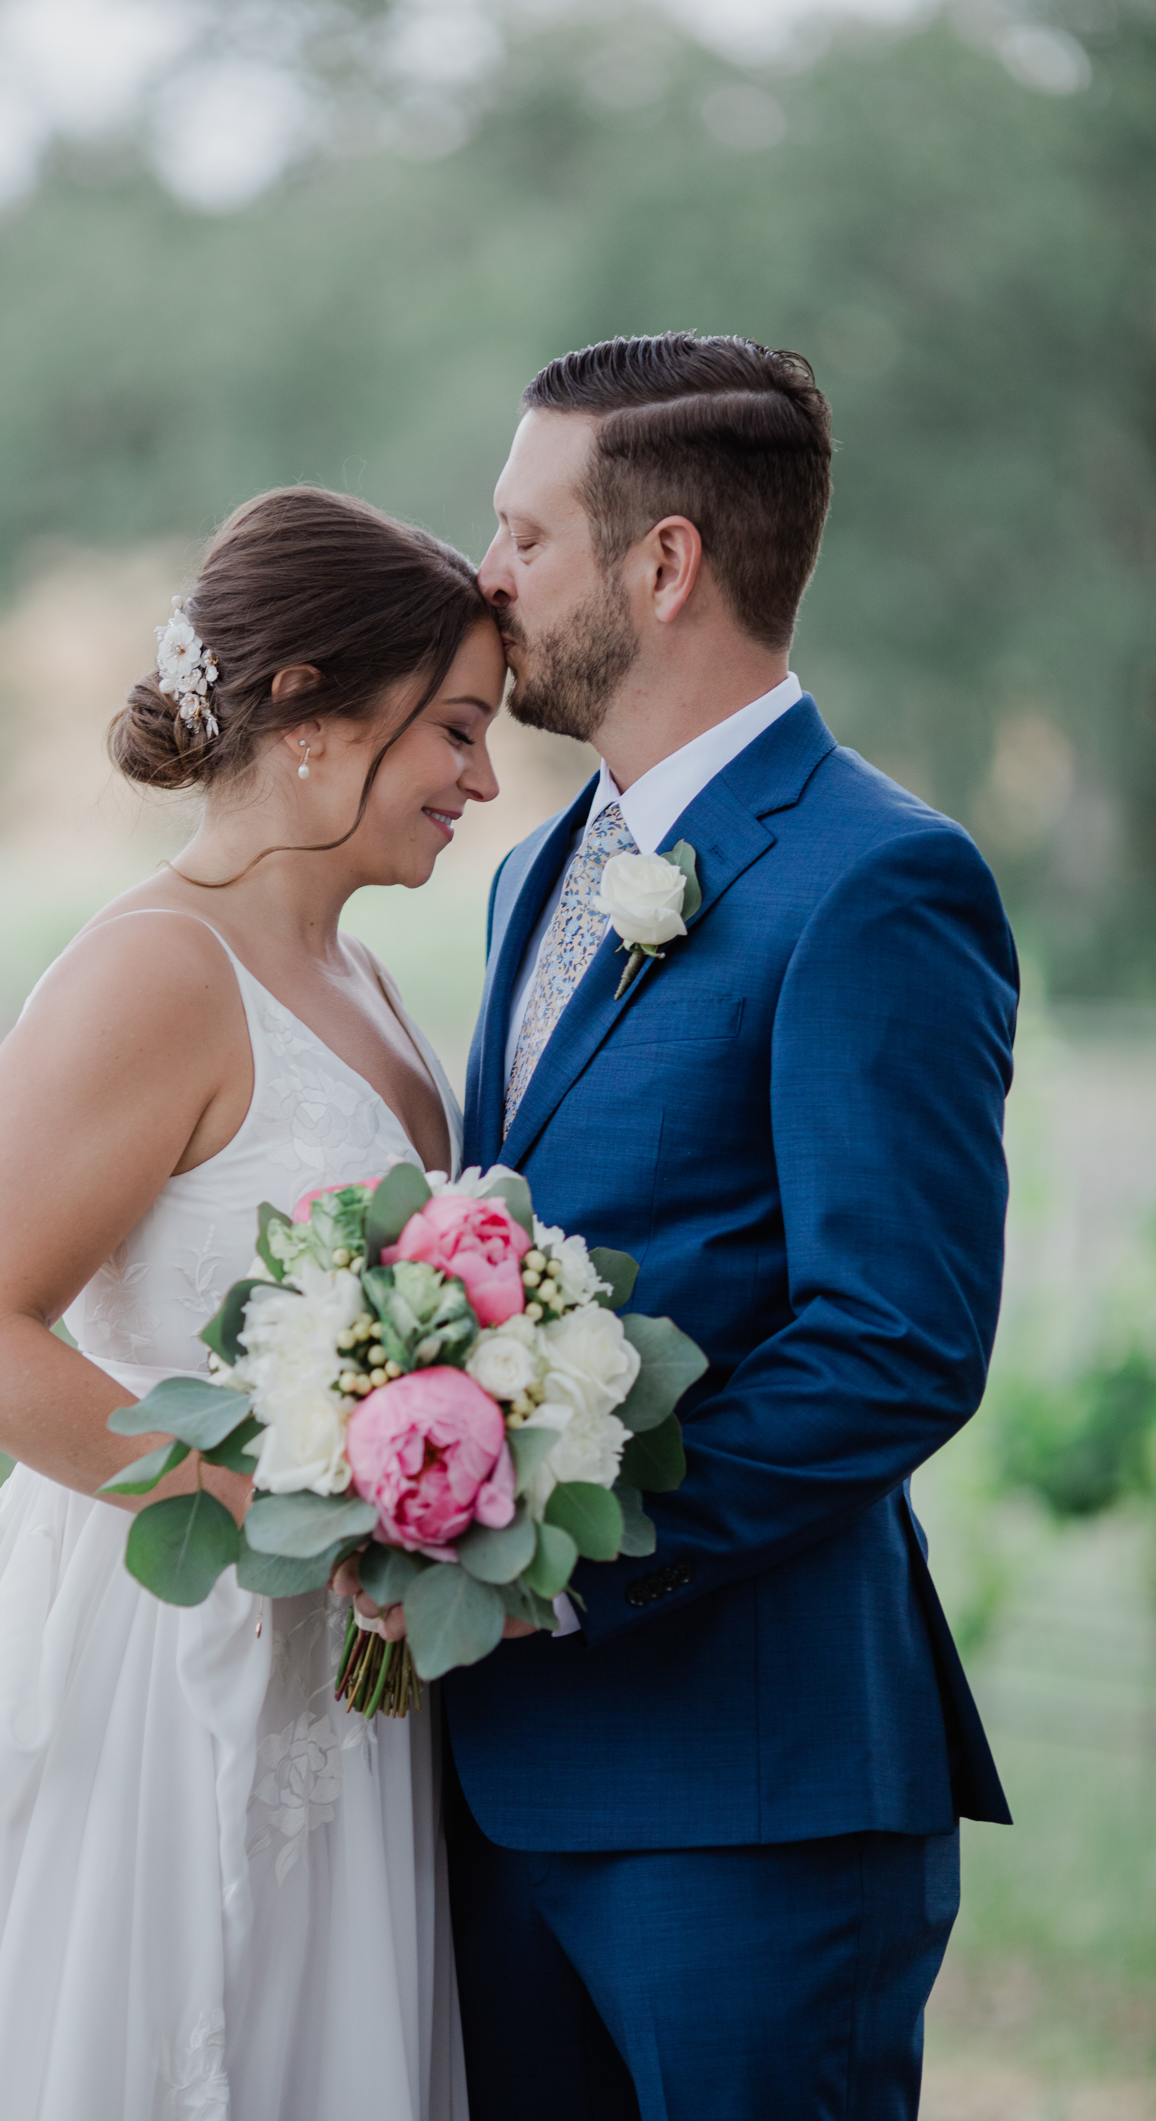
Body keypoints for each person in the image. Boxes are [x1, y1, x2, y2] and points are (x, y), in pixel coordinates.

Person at [0, 486, 503, 2121]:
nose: (483, 777)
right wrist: (287, 1504)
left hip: (346, 1684)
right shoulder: (155, 970)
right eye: (454, 729)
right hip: (154, 1658)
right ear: (316, 709)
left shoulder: (366, 977)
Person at [438, 333, 1018, 2121]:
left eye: (523, 535)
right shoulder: (541, 865)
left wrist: (564, 1562)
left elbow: (894, 1339)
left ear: (663, 560)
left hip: (749, 1800)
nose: (486, 577)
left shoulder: (876, 879)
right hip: (496, 1786)